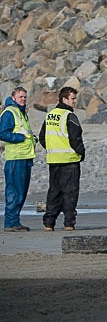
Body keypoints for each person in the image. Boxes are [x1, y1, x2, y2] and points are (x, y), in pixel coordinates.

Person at [39, 86, 85, 232]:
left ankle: (49, 223)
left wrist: (52, 148)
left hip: (54, 159)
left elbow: (42, 137)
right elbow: (75, 138)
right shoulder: (69, 116)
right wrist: (81, 153)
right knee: (70, 193)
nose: (75, 101)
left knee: (54, 192)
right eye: (72, 98)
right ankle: (69, 223)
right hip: (69, 160)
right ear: (64, 99)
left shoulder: (50, 115)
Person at [1, 87, 36, 231]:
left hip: (25, 156)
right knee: (15, 191)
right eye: (21, 97)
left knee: (21, 192)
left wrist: (32, 139)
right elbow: (2, 133)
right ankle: (10, 222)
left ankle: (14, 221)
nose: (23, 99)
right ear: (14, 98)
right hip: (15, 158)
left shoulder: (21, 113)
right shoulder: (10, 112)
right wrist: (20, 138)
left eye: (25, 97)